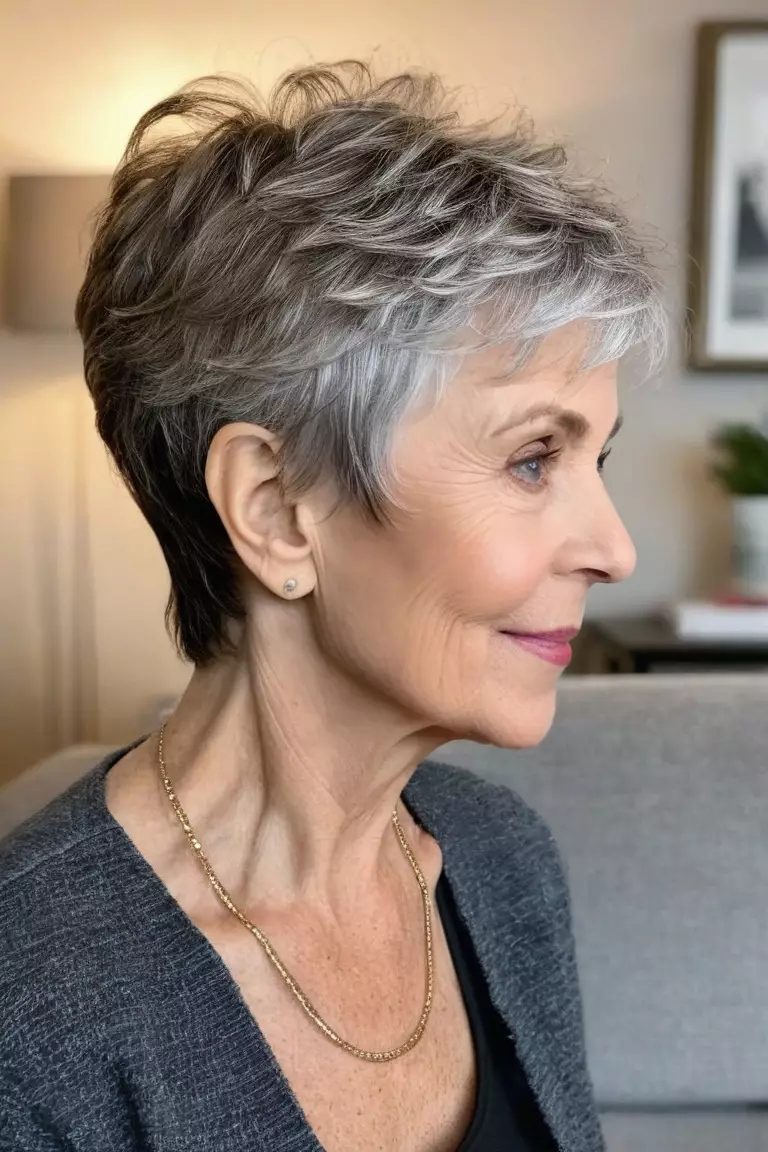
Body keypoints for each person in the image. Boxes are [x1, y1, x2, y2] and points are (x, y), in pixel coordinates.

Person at [0, 62, 665, 1152]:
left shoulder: (504, 864)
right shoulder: (31, 1011)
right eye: (535, 459)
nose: (617, 548)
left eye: (600, 457)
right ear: (276, 511)